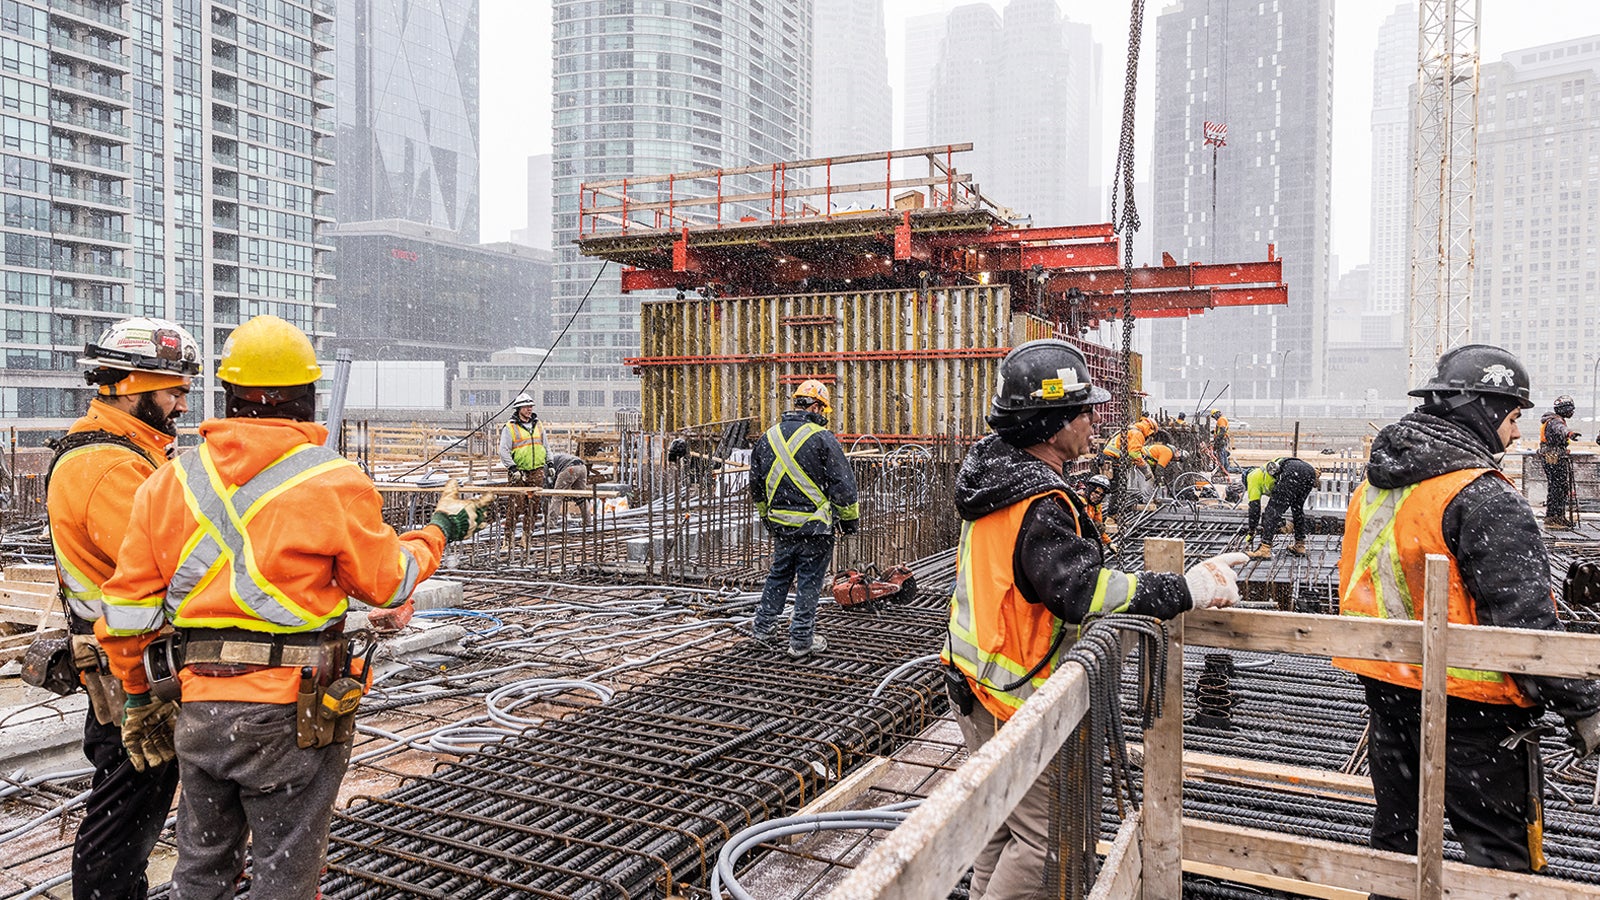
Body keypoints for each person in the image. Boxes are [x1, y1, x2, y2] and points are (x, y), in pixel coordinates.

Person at [97, 315, 494, 899]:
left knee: (200, 872)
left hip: (199, 710)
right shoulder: (333, 482)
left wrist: (136, 695)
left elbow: (127, 609)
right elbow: (388, 584)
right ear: (308, 399)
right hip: (292, 716)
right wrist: (438, 530)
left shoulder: (168, 483)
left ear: (228, 397)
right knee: (285, 876)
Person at [941, 339, 1248, 900]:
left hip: (975, 680)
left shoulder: (998, 478)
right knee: (1043, 844)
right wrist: (1187, 587)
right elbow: (1085, 592)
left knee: (996, 824)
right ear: (1052, 422)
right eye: (1083, 410)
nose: (1093, 420)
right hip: (1014, 697)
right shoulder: (1037, 502)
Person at [1333, 344, 1600, 890]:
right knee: (1500, 863)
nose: (1517, 434)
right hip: (1475, 714)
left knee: (1396, 851)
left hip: (1389, 694)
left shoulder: (1375, 487)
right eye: (1512, 417)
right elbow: (1525, 630)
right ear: (1483, 409)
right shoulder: (1481, 496)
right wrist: (1584, 706)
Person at [48, 318, 197, 900]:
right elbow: (174, 569)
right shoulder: (110, 467)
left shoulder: (129, 453)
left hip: (128, 662)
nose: (182, 404)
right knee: (125, 816)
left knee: (132, 807)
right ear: (130, 387)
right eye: (173, 391)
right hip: (128, 672)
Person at [748, 379, 860, 658]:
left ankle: (762, 629)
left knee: (779, 576)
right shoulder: (823, 439)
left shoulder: (768, 437)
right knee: (809, 582)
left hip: (783, 526)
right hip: (815, 529)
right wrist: (849, 521)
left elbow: (757, 487)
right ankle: (800, 640)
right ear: (817, 407)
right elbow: (843, 485)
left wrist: (768, 519)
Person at [1243, 456, 1318, 559]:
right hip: (1309, 471)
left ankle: (1265, 548)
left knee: (1271, 511)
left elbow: (1254, 509)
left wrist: (1251, 530)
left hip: (1291, 470)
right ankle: (1300, 545)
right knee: (1297, 509)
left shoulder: (1251, 478)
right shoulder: (1260, 473)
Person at [498, 393, 546, 538]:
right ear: (519, 408)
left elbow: (546, 446)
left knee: (533, 505)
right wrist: (512, 468)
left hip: (536, 470)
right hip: (518, 471)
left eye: (531, 406)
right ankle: (509, 536)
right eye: (526, 406)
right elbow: (503, 451)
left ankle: (527, 535)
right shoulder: (510, 427)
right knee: (515, 505)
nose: (529, 409)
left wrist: (549, 463)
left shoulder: (538, 425)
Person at [1539, 395, 1578, 529]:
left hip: (1553, 456)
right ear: (1564, 409)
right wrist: (1570, 434)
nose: (1572, 412)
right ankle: (1554, 518)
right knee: (1558, 488)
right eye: (1571, 409)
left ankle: (1558, 516)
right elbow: (1561, 430)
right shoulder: (1555, 422)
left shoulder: (1552, 420)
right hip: (1553, 458)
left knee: (1558, 487)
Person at [544, 451, 590, 527]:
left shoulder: (546, 464)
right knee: (581, 497)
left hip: (570, 468)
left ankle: (551, 523)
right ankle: (587, 521)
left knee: (556, 497)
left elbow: (548, 483)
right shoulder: (556, 458)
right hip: (582, 467)